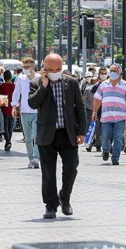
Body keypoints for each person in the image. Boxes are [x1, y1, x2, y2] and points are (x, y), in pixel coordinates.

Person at [28, 53, 86, 219]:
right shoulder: (36, 83)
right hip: (47, 134)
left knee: (71, 168)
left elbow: (80, 108)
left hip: (68, 133)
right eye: (50, 69)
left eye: (58, 69)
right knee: (48, 172)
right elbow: (32, 103)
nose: (55, 72)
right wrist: (44, 86)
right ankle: (50, 205)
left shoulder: (72, 83)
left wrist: (81, 131)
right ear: (44, 68)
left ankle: (65, 197)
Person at [92, 64, 126, 165]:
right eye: (111, 71)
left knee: (118, 138)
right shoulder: (103, 85)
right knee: (105, 137)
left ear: (120, 73)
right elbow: (97, 99)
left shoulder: (125, 85)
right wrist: (94, 112)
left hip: (120, 117)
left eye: (115, 71)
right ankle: (106, 150)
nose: (112, 73)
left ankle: (115, 158)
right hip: (106, 117)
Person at [12, 57, 40, 168]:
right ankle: (30, 158)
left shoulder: (39, 78)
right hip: (24, 111)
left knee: (36, 136)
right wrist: (14, 106)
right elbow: (16, 93)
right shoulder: (20, 78)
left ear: (33, 67)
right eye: (24, 67)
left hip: (37, 111)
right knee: (28, 138)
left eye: (28, 66)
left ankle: (36, 158)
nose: (26, 68)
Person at [90, 67, 109, 152]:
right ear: (98, 74)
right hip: (98, 110)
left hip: (108, 110)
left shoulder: (109, 85)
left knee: (106, 129)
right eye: (102, 73)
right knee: (97, 128)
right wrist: (94, 111)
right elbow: (94, 99)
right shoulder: (96, 86)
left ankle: (106, 144)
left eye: (105, 73)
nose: (104, 75)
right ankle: (98, 144)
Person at [0, 70, 15, 151]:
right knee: (10, 127)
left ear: (4, 77)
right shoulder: (15, 86)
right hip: (13, 108)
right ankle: (8, 142)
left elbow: (0, 99)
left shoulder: (1, 86)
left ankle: (8, 142)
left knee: (5, 126)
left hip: (4, 108)